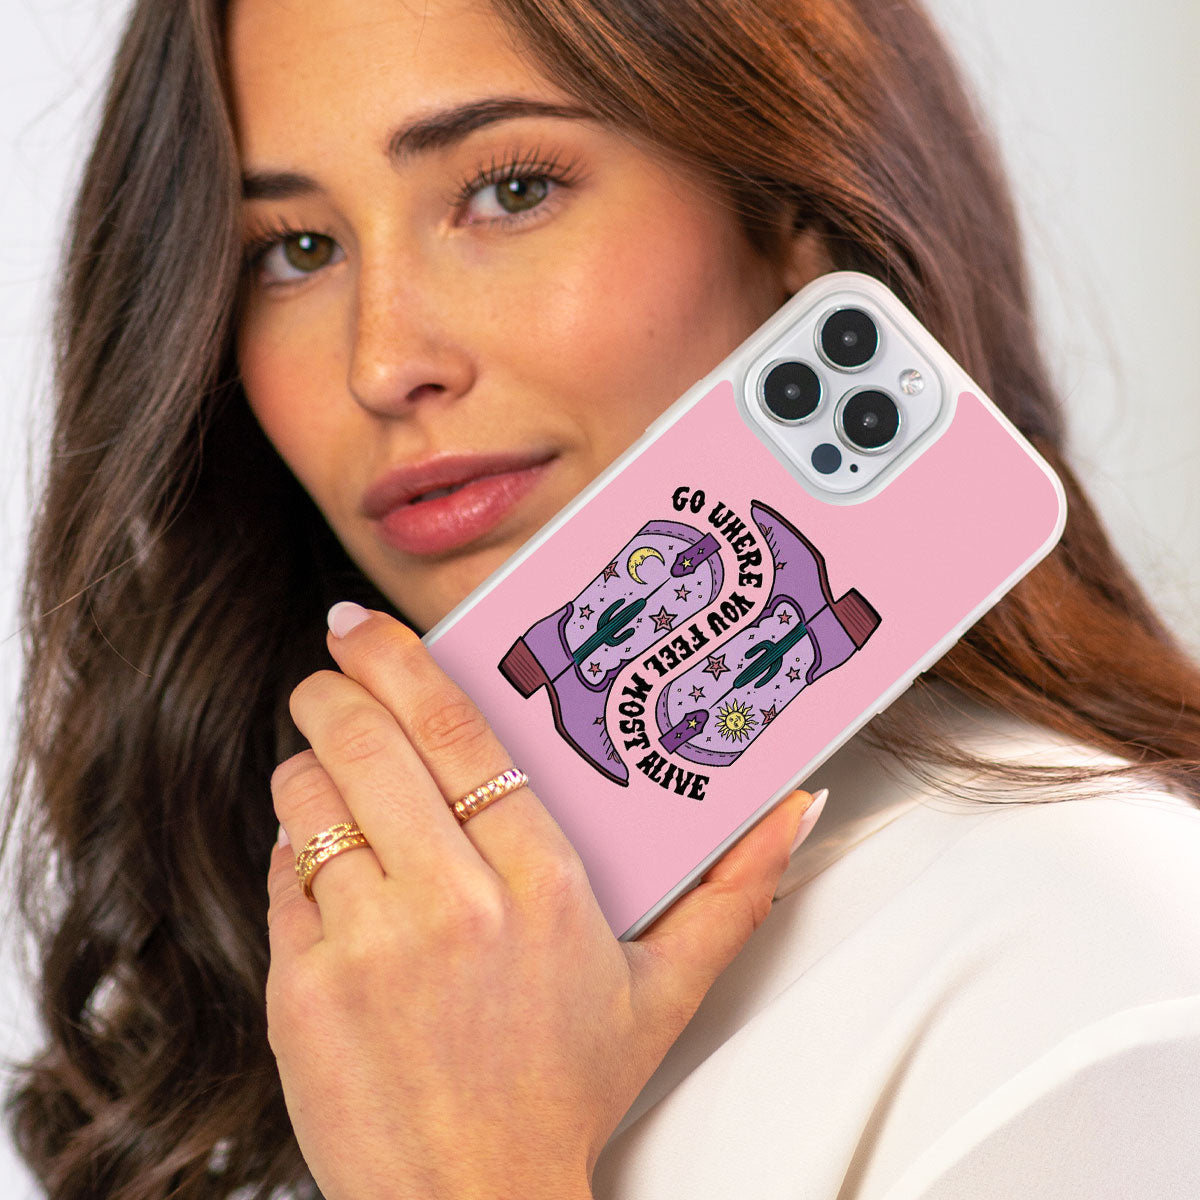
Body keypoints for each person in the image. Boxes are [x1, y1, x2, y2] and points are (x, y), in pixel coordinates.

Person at [5, 0, 1200, 1196]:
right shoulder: (316, 967)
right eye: (296, 250)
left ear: (794, 218)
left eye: (510, 190)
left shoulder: (1096, 971)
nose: (383, 362)